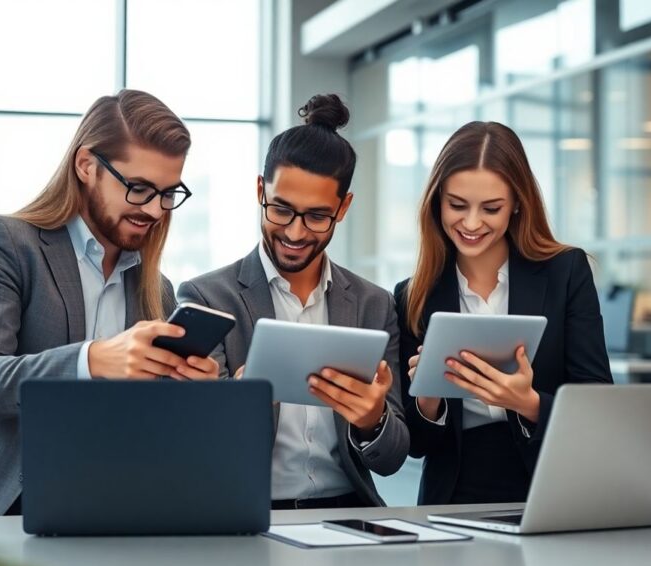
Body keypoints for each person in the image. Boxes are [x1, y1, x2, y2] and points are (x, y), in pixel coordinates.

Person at [0, 89, 219, 516]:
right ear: (86, 166)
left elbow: (148, 422)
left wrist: (192, 393)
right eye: (139, 188)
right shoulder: (3, 243)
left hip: (111, 499)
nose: (156, 210)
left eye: (167, 193)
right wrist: (94, 360)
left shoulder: (154, 288)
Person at [178, 94, 409, 509]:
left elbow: (392, 459)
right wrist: (238, 406)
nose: (296, 233)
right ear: (259, 190)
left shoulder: (374, 306)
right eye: (281, 209)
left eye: (317, 216)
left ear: (343, 208)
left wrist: (373, 420)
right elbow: (194, 447)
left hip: (348, 512)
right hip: (250, 513)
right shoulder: (205, 298)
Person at [395, 121, 612, 505]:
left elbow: (598, 404)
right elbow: (416, 445)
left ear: (516, 204)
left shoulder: (566, 273)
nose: (472, 223)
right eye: (457, 205)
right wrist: (428, 399)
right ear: (436, 203)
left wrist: (527, 402)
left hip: (551, 485)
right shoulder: (414, 296)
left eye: (491, 208)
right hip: (453, 496)